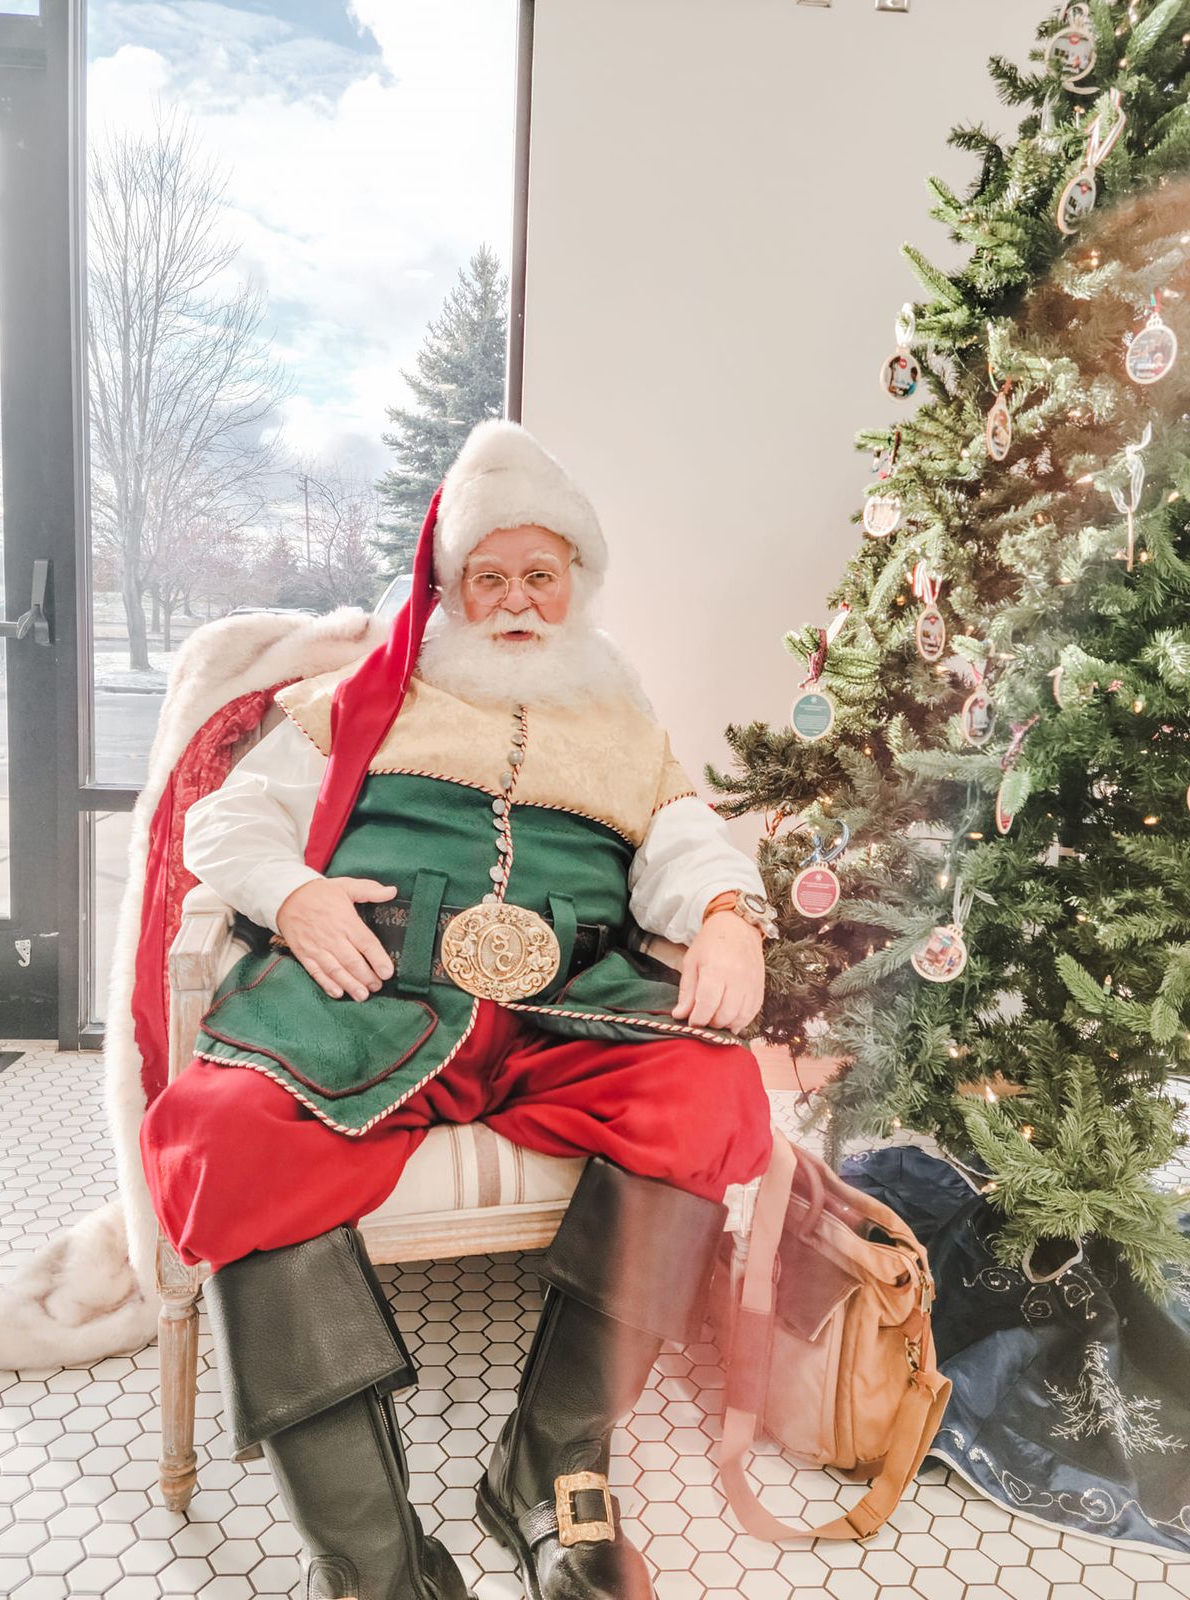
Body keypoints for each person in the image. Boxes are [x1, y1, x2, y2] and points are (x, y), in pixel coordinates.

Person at [139, 420, 775, 1600]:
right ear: (454, 589)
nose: (517, 601)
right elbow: (230, 816)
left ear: (574, 586)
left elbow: (684, 837)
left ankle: (547, 1473)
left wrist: (732, 908)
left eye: (541, 576)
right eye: (491, 578)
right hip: (379, 988)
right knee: (219, 1129)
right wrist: (296, 893)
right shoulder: (366, 694)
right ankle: (376, 1557)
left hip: (570, 1008)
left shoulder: (621, 715)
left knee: (712, 1091)